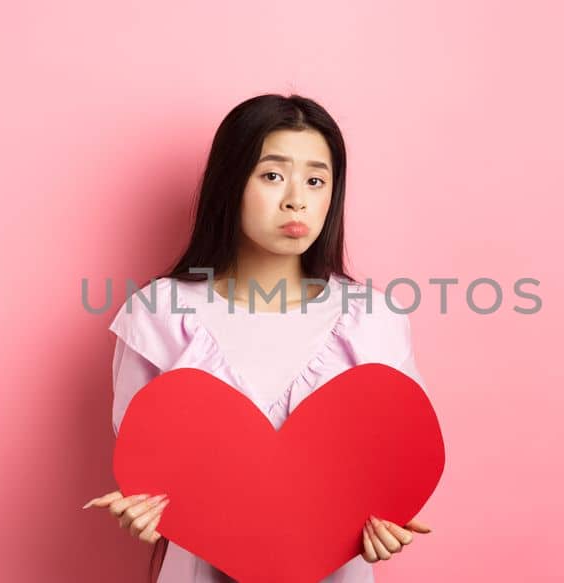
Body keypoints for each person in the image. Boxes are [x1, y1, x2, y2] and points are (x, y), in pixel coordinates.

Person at [81, 94, 434, 582]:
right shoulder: (161, 314)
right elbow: (145, 462)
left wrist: (384, 521)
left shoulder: (372, 320)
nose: (297, 199)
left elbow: (396, 460)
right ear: (230, 184)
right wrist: (144, 510)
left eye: (316, 179)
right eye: (272, 175)